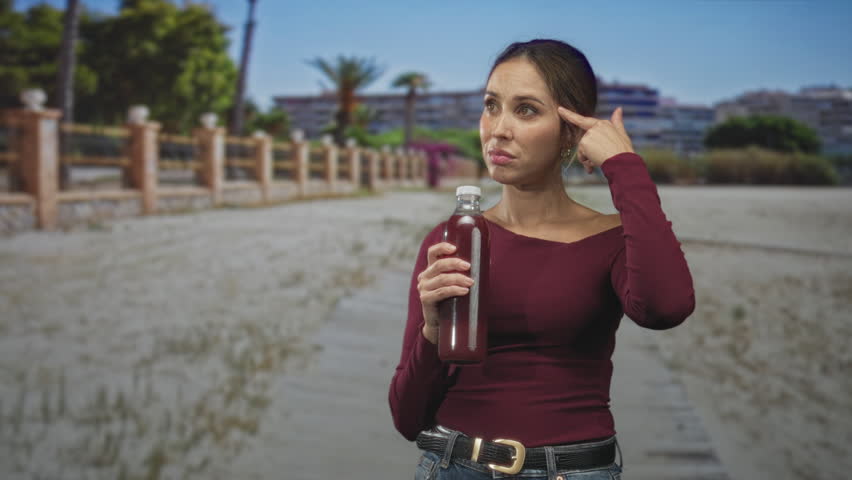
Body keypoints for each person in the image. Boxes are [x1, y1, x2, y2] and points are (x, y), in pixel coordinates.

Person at [388, 39, 695, 480]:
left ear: (571, 131)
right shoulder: (451, 239)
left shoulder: (610, 239)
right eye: (491, 106)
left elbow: (667, 308)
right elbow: (407, 417)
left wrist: (625, 167)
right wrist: (432, 332)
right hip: (453, 467)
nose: (499, 129)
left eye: (526, 110)